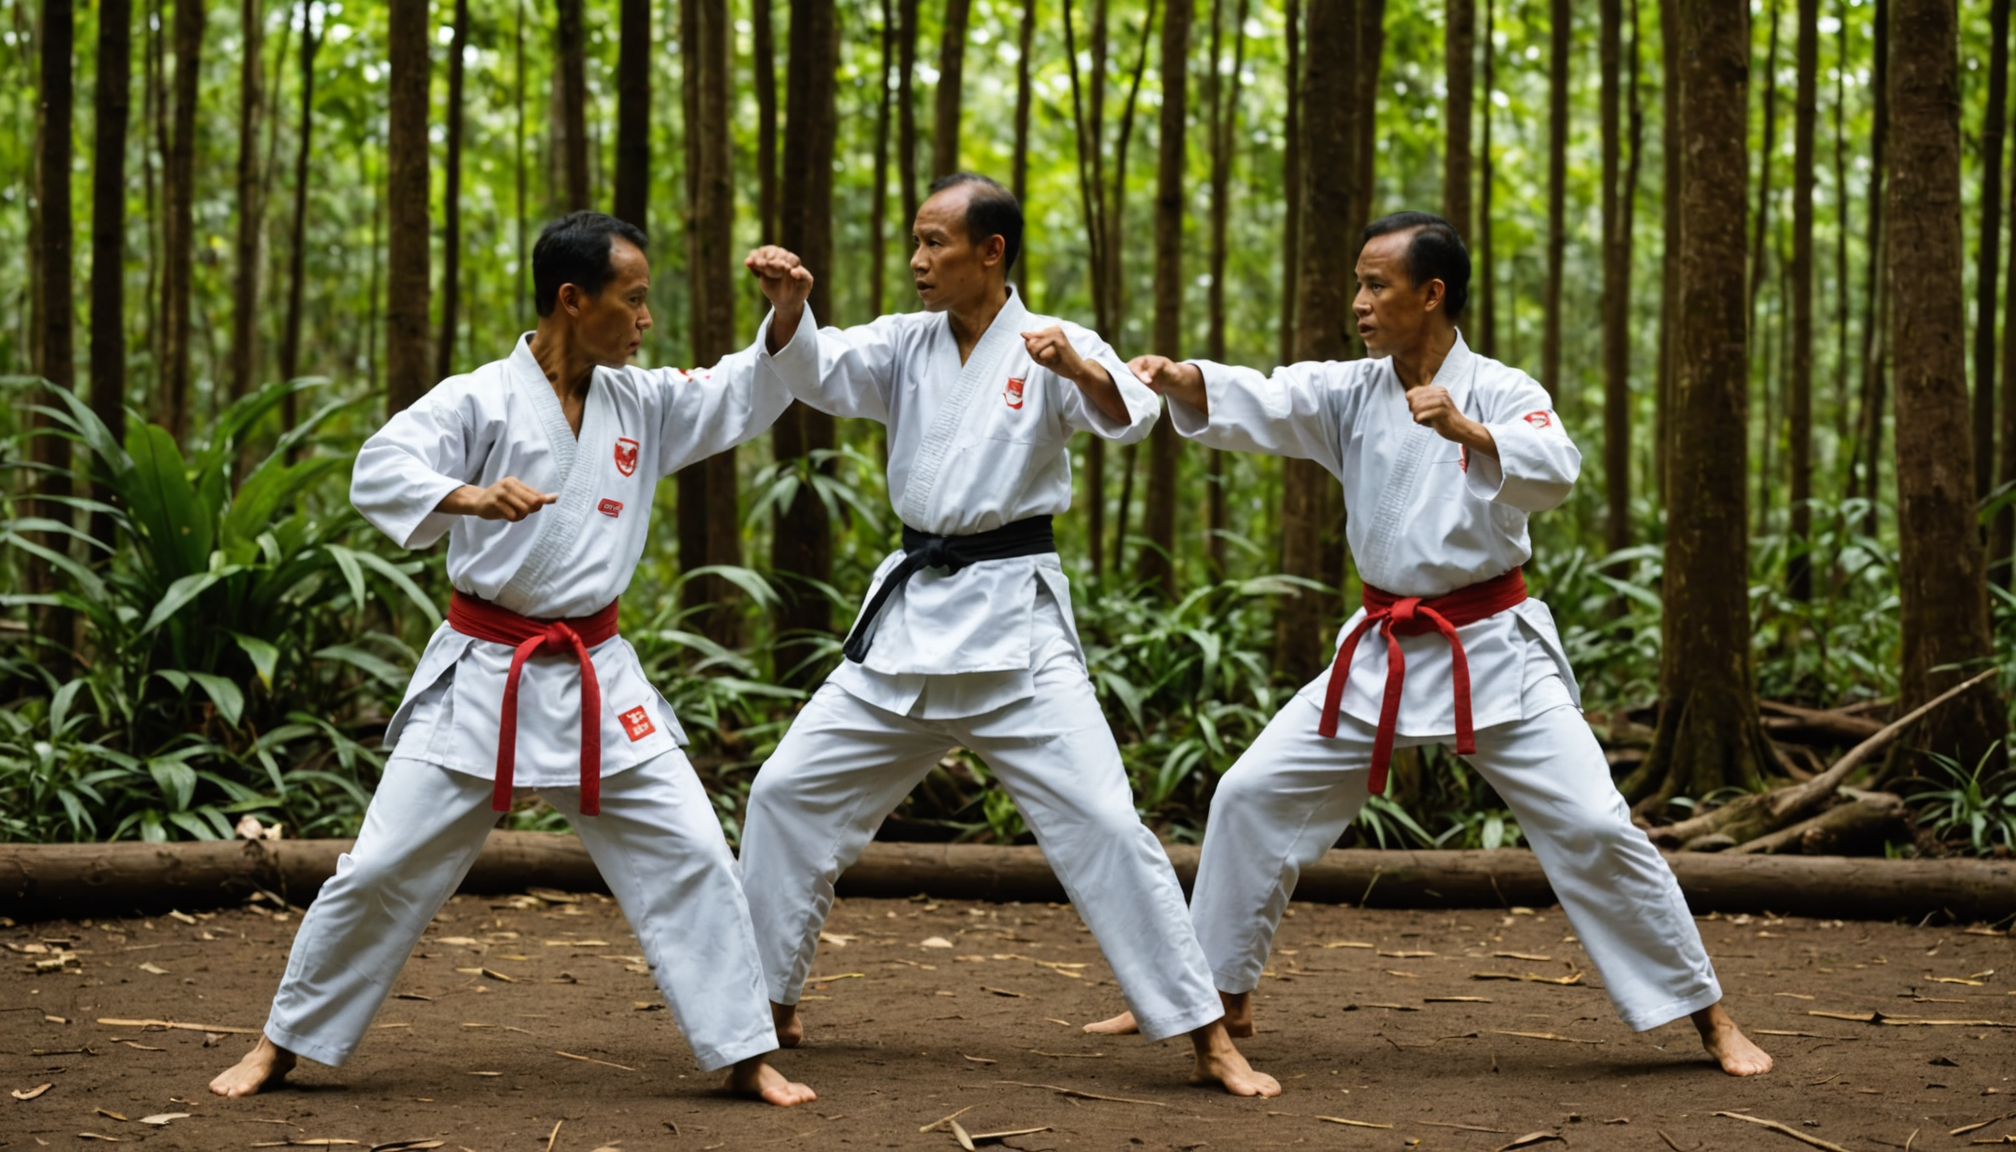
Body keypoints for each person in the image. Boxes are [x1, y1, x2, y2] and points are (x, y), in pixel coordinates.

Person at [1086, 211, 1774, 1078]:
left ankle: (1708, 1015)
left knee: (1597, 826)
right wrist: (1182, 377)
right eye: (1358, 285)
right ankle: (1220, 990)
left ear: (1432, 293)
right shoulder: (1351, 390)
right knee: (1251, 793)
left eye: (1376, 285)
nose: (1358, 302)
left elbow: (1556, 468)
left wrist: (1467, 431)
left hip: (1491, 648)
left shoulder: (1501, 388)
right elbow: (1265, 397)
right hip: (1382, 650)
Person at [210, 212, 821, 1105]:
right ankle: (284, 1041)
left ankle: (742, 1051)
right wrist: (467, 496)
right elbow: (380, 468)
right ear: (572, 299)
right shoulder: (479, 399)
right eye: (633, 300)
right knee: (381, 866)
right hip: (485, 669)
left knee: (692, 851)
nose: (646, 320)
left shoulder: (643, 403)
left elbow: (738, 391)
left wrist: (785, 315)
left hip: (596, 671)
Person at [735, 173, 1280, 1097]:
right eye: (916, 242)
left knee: (1104, 823)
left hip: (1012, 626)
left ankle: (1205, 1032)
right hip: (908, 622)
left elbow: (1134, 414)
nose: (918, 261)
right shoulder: (904, 341)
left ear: (990, 251)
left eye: (935, 243)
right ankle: (766, 1003)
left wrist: (1079, 371)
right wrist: (790, 310)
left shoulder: (1050, 342)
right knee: (787, 794)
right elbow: (817, 371)